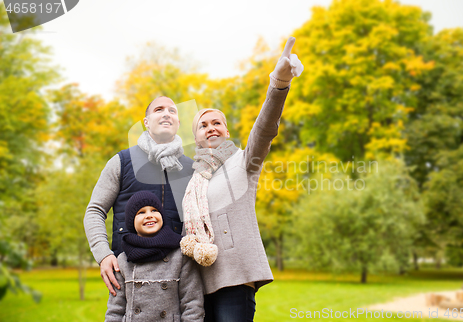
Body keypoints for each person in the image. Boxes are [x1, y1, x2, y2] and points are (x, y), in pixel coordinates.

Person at [179, 37, 304, 322]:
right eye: (203, 125)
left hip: (235, 280)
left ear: (225, 130)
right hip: (198, 284)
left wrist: (279, 83)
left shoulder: (244, 162)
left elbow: (264, 129)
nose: (210, 128)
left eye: (217, 123)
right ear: (196, 136)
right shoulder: (193, 180)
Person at [84, 96, 194, 296]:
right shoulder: (121, 161)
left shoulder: (191, 168)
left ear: (178, 123)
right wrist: (103, 255)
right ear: (146, 122)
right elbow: (95, 210)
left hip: (179, 274)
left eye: (172, 110)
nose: (166, 113)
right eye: (159, 109)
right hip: (129, 271)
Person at [105, 190, 204, 322]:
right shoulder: (123, 260)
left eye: (154, 210)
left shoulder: (180, 255)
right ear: (131, 221)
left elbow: (192, 303)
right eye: (141, 212)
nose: (149, 215)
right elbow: (115, 310)